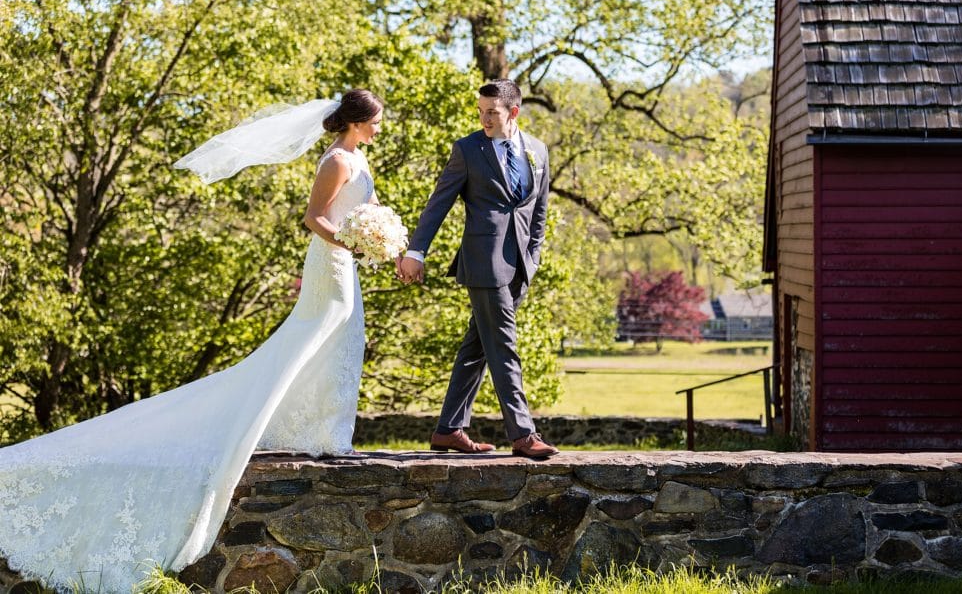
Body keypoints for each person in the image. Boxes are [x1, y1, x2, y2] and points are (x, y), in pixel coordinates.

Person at [0, 89, 384, 593]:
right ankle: (304, 425)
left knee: (340, 338)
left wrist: (384, 238)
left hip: (346, 264)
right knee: (317, 335)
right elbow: (315, 218)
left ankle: (325, 431)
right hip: (331, 264)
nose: (381, 126)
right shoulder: (335, 160)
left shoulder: (357, 156)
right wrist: (353, 241)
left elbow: (362, 211)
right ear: (358, 121)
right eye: (376, 120)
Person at [397, 79, 559, 460]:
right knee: (504, 345)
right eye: (481, 111)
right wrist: (416, 251)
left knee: (477, 347)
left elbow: (539, 212)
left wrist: (532, 258)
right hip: (484, 262)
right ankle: (523, 435)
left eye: (492, 112)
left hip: (520, 264)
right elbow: (439, 202)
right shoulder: (468, 150)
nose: (484, 118)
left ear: (513, 112)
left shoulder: (537, 150)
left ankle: (448, 429)